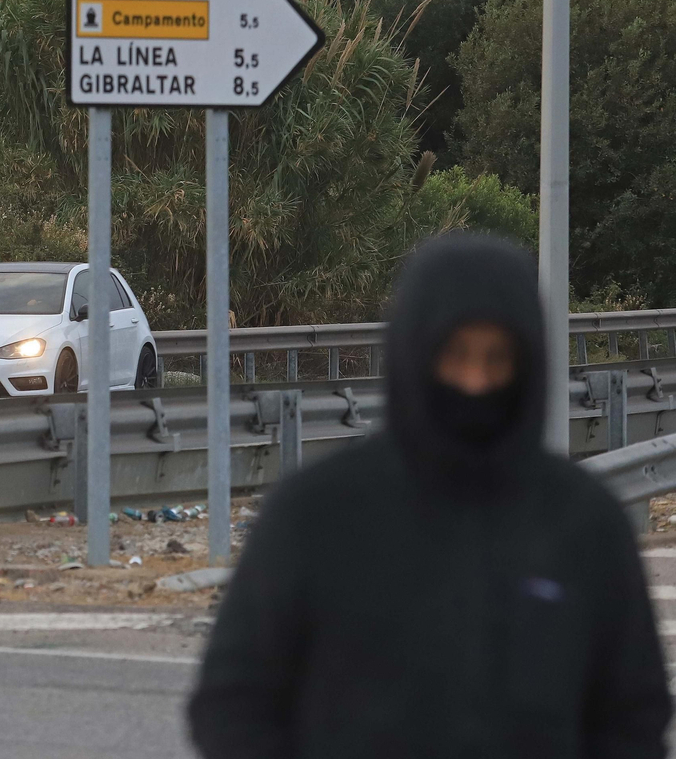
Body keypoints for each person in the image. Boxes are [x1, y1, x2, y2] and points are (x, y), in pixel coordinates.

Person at [189, 232, 671, 758]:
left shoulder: (583, 522)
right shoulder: (317, 514)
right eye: (455, 355)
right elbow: (232, 702)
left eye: (497, 358)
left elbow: (632, 714)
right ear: (415, 353)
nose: (475, 379)